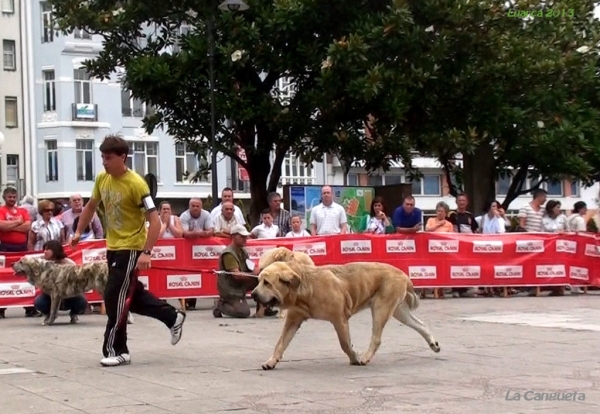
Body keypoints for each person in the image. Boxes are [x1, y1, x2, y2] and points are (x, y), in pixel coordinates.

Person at [71, 134, 186, 367]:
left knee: (114, 297)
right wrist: (77, 231)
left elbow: (154, 221)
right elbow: (91, 206)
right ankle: (172, 316)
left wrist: (147, 252)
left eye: (108, 157)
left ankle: (117, 350)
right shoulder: (102, 179)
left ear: (122, 157)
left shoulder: (137, 184)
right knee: (130, 295)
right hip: (113, 246)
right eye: (102, 157)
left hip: (131, 248)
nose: (104, 162)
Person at [213, 224, 277, 318]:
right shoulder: (229, 254)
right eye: (242, 236)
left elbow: (251, 267)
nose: (245, 239)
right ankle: (220, 305)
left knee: (264, 281)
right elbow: (236, 275)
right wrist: (254, 274)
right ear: (233, 237)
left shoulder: (243, 251)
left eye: (246, 236)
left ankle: (264, 308)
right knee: (243, 313)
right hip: (230, 289)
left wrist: (263, 270)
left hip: (239, 285)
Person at [33, 240, 87, 323]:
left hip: (69, 295)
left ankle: (74, 315)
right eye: (44, 249)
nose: (45, 252)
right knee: (39, 302)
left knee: (82, 301)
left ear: (55, 250)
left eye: (47, 249)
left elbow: (77, 280)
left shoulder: (69, 263)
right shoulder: (41, 262)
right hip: (50, 295)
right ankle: (48, 315)